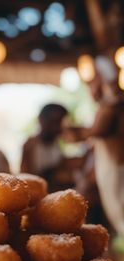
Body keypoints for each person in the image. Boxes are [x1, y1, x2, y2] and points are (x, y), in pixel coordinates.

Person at [63, 58, 124, 235]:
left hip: (118, 169)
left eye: (92, 82)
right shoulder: (109, 106)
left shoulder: (112, 107)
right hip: (111, 168)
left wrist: (76, 132)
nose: (90, 88)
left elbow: (96, 130)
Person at [21, 103, 68, 191]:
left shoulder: (57, 144)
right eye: (55, 121)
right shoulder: (30, 145)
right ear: (42, 120)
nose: (59, 127)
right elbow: (26, 177)